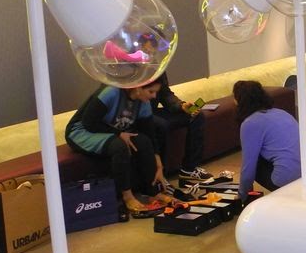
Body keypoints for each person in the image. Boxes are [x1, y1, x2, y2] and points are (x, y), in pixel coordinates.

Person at [66, 80, 165, 213]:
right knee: (120, 146)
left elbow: (150, 134)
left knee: (144, 141)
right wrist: (118, 134)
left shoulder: (144, 102)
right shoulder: (111, 92)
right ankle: (127, 197)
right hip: (82, 131)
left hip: (113, 131)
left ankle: (152, 192)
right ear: (138, 88)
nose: (154, 96)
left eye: (155, 92)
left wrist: (158, 164)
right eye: (151, 91)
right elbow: (89, 122)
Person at [234, 80, 306, 200]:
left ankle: (285, 193)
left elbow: (248, 166)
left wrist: (241, 195)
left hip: (291, 178)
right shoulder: (281, 113)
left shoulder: (250, 123)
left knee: (256, 163)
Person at [149, 71, 212, 183]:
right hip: (139, 113)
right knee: (160, 125)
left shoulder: (158, 67)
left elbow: (165, 94)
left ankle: (189, 169)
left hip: (154, 112)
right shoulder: (131, 69)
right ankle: (160, 174)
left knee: (196, 116)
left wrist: (181, 105)